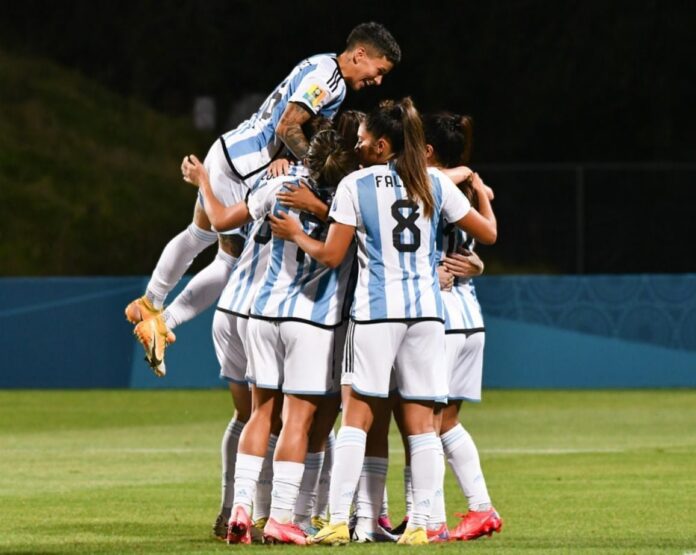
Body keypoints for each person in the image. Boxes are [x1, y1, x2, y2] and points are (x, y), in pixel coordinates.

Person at [268, 97, 497, 545]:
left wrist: (296, 234)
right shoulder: (433, 181)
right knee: (421, 424)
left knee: (355, 419)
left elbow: (333, 255)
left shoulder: (357, 183)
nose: (358, 143)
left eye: (364, 137)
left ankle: (336, 520)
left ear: (381, 144)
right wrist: (472, 246)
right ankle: (421, 525)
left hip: (375, 315)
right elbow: (487, 234)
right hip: (427, 316)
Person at [126, 22, 401, 375]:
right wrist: (314, 166)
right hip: (248, 166)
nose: (377, 81)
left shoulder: (320, 65)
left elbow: (293, 129)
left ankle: (149, 303)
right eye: (378, 71)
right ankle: (164, 322)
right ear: (360, 54)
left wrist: (291, 152)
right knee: (230, 260)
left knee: (200, 234)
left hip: (231, 150)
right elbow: (289, 126)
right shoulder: (328, 81)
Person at [182, 129, 359, 545]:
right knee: (297, 419)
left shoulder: (279, 183)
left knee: (259, 414)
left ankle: (242, 508)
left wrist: (205, 182)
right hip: (311, 319)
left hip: (260, 313)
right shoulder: (350, 200)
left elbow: (223, 220)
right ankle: (282, 516)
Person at [422, 112, 503, 541]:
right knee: (447, 422)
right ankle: (481, 509)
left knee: (426, 425)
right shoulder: (472, 187)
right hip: (471, 319)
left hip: (442, 316)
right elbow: (487, 236)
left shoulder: (429, 188)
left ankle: (430, 521)